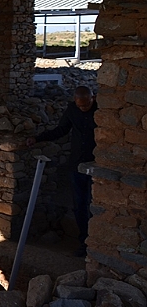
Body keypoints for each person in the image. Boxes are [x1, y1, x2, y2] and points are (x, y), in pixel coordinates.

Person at [27, 85, 97, 256]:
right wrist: (38, 138)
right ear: (75, 101)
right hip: (76, 164)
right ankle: (84, 243)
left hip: (96, 164)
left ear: (92, 99)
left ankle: (97, 244)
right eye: (80, 105)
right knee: (79, 205)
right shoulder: (72, 110)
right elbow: (61, 130)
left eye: (86, 105)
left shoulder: (101, 110)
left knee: (94, 205)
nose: (83, 108)